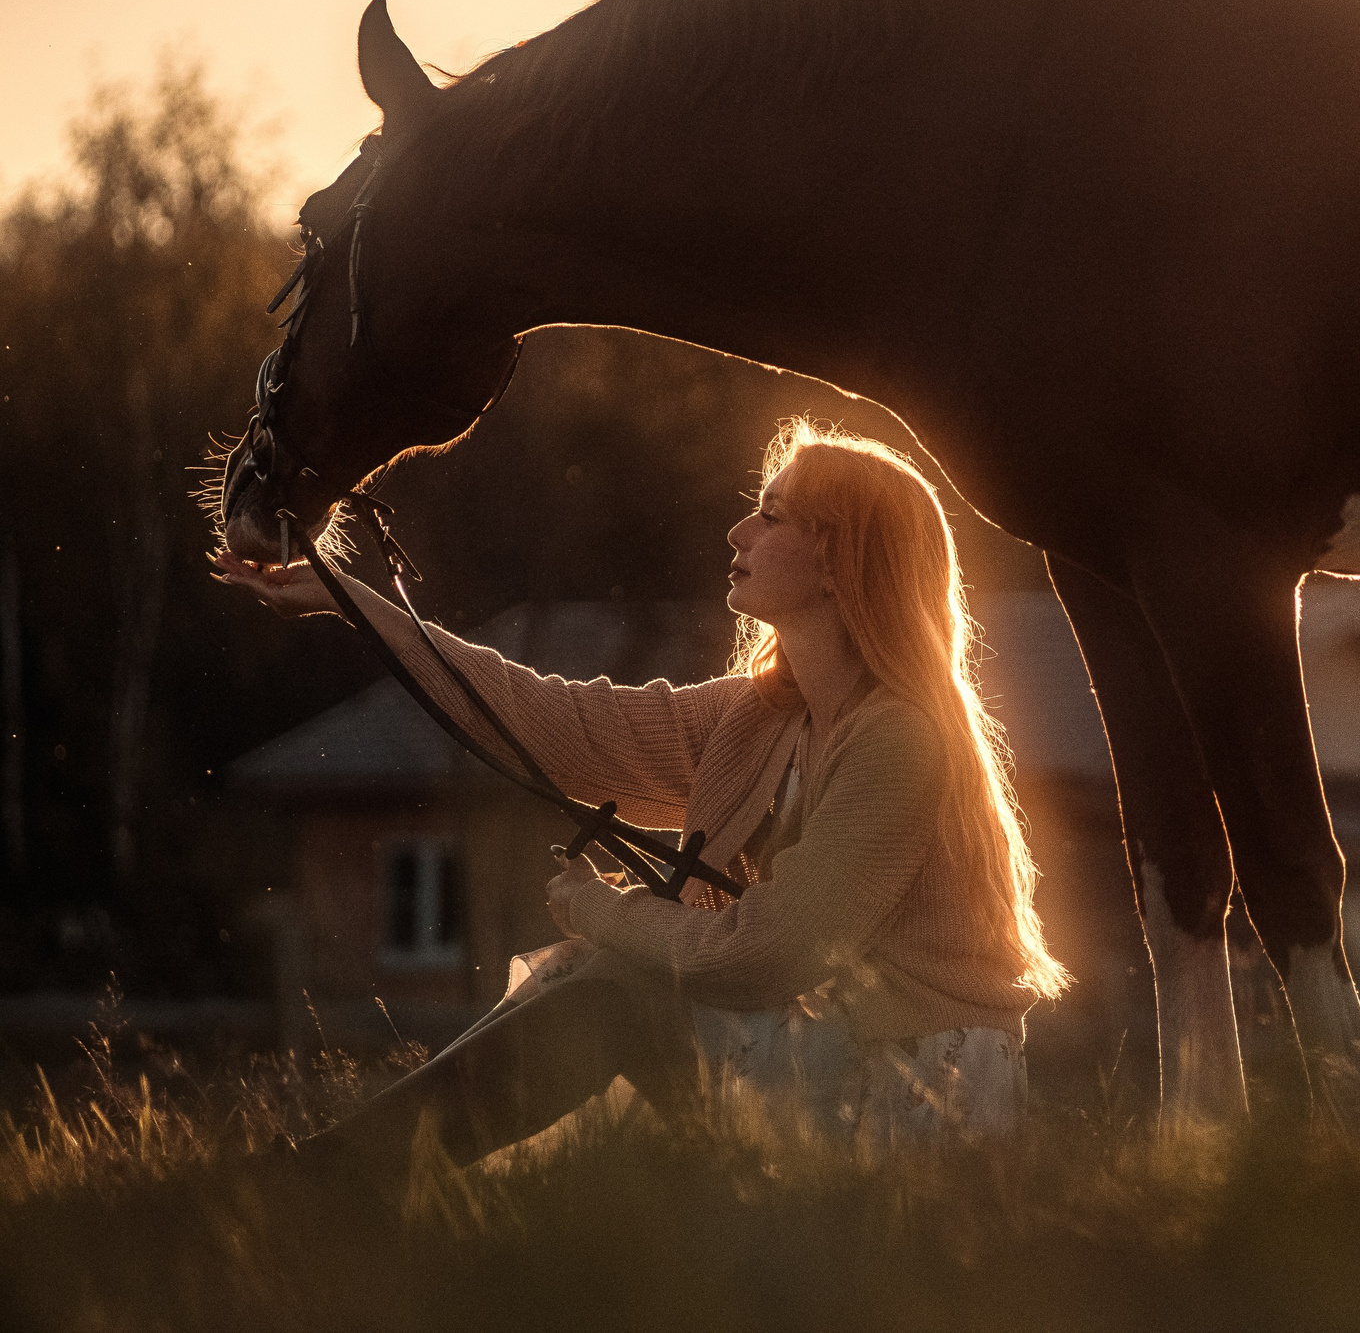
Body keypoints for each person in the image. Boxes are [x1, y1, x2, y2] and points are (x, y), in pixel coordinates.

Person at [213, 419, 1067, 1176]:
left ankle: (330, 1183)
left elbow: (771, 952)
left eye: (771, 514)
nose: (739, 529)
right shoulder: (758, 715)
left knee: (620, 982)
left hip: (921, 1090)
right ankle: (341, 1179)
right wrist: (360, 608)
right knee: (609, 978)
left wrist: (600, 911)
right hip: (821, 1052)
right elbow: (553, 722)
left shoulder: (899, 738)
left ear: (841, 560)